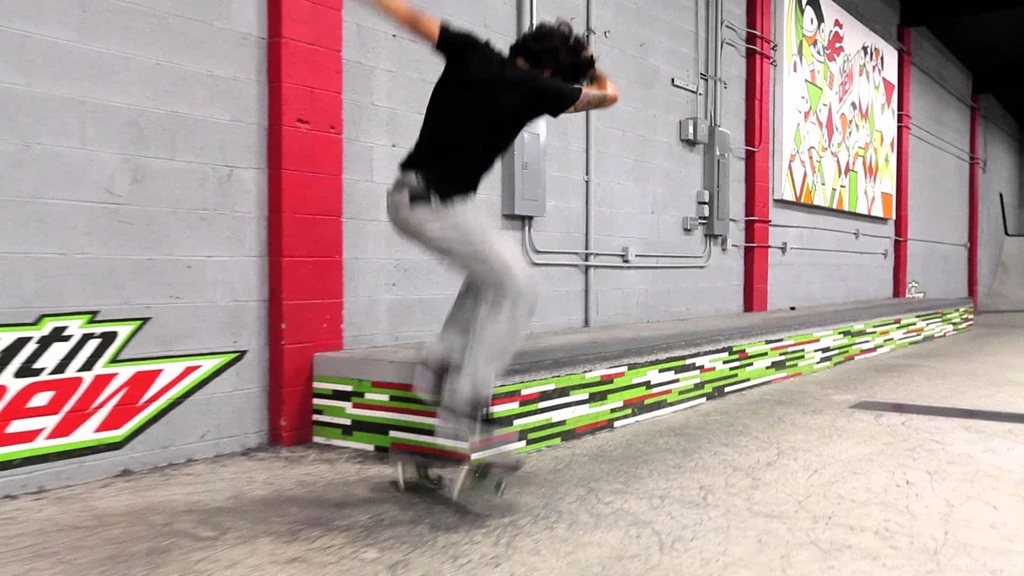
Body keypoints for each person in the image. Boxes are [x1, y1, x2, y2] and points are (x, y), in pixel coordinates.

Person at [368, 0, 620, 449]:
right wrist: (588, 64)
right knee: (519, 288)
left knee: (497, 268)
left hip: (414, 197)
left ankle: (441, 361)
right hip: (433, 205)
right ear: (551, 71)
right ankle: (465, 401)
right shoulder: (540, 89)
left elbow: (412, 18)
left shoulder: (471, 50)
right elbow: (609, 94)